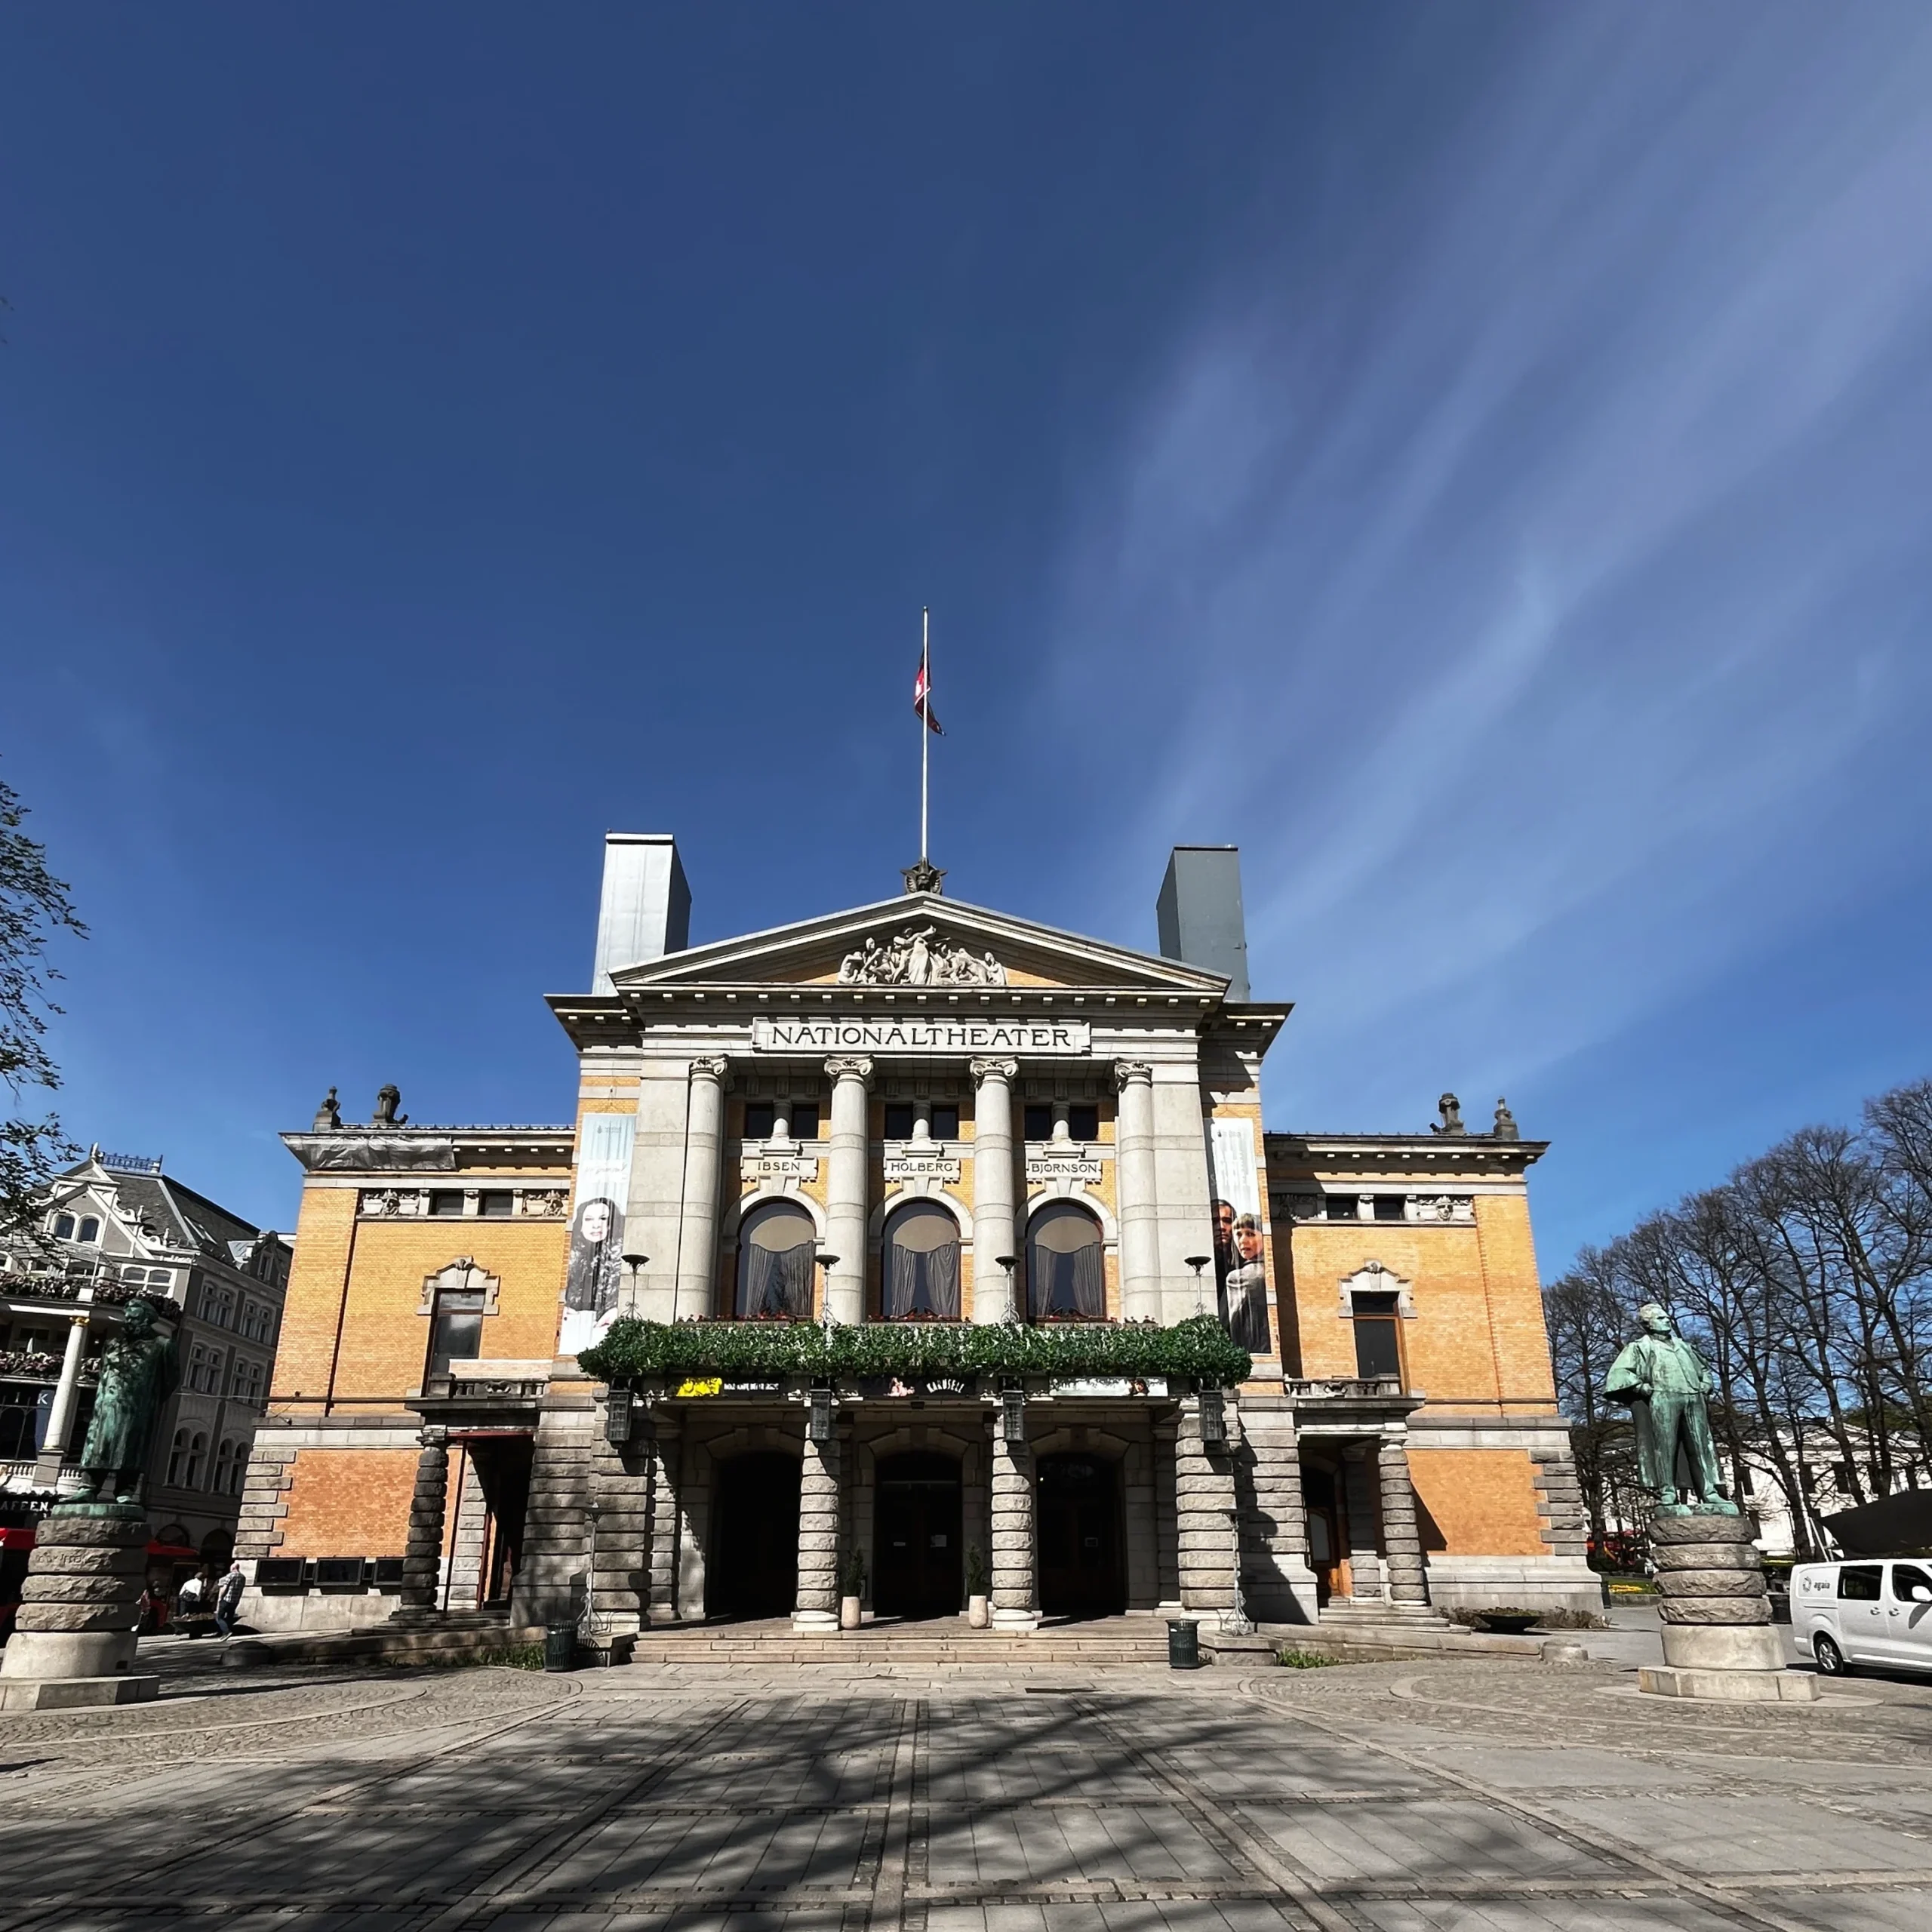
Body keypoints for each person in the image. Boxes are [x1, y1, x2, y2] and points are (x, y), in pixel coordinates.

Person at [213, 1559, 246, 1639]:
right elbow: (241, 1589)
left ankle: (226, 1632)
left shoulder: (230, 1576)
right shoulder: (243, 1577)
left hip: (227, 1599)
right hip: (235, 1600)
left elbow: (225, 1588)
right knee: (230, 1617)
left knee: (219, 1617)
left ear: (233, 1568)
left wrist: (220, 1598)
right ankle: (228, 1630)